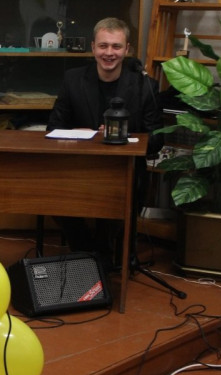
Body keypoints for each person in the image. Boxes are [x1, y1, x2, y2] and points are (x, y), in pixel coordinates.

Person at [46, 17, 163, 271]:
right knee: (51, 193)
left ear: (127, 49)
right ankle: (90, 252)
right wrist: (75, 132)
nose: (109, 53)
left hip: (123, 170)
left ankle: (102, 254)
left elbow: (156, 140)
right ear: (93, 47)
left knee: (127, 193)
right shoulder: (73, 79)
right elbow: (52, 128)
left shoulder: (145, 85)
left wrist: (121, 136)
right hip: (78, 167)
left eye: (116, 46)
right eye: (103, 46)